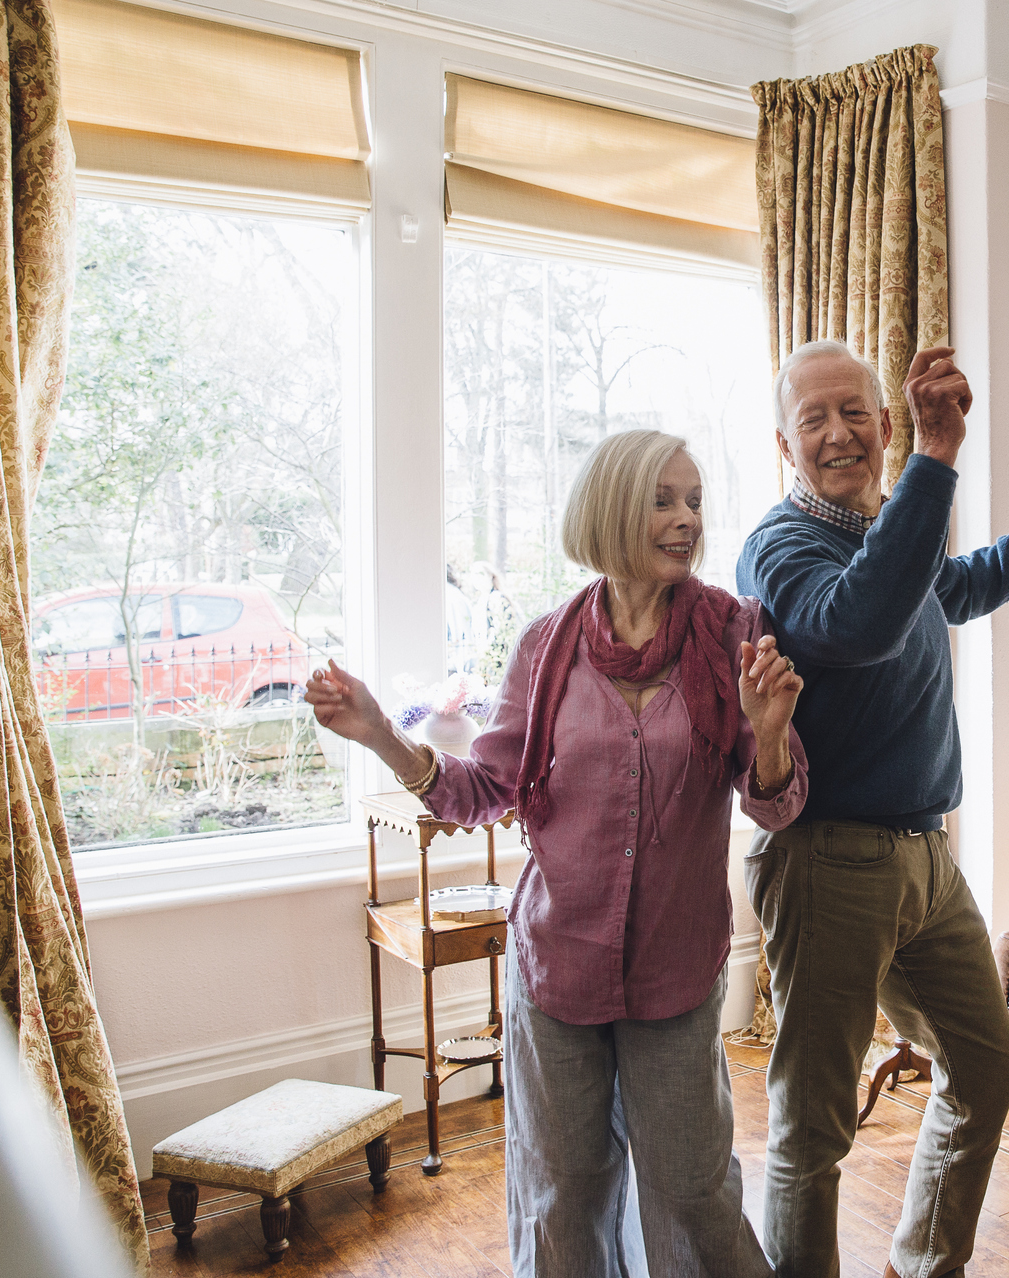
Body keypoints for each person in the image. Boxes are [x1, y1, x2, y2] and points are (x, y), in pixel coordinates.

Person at [307, 429, 808, 1278]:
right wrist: (381, 736)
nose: (686, 519)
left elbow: (779, 803)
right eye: (663, 500)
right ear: (612, 509)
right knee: (562, 1195)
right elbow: (480, 792)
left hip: (675, 972)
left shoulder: (732, 632)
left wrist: (768, 736)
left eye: (693, 501)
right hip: (555, 965)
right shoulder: (547, 647)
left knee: (691, 1191)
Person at [736, 341, 1009, 1278]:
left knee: (984, 1067)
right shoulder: (779, 547)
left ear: (884, 424)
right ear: (784, 445)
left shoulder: (887, 538)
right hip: (828, 862)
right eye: (812, 419)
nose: (836, 433)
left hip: (925, 861)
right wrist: (936, 465)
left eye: (853, 412)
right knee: (812, 1128)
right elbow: (852, 625)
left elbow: (962, 585)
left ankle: (919, 1267)